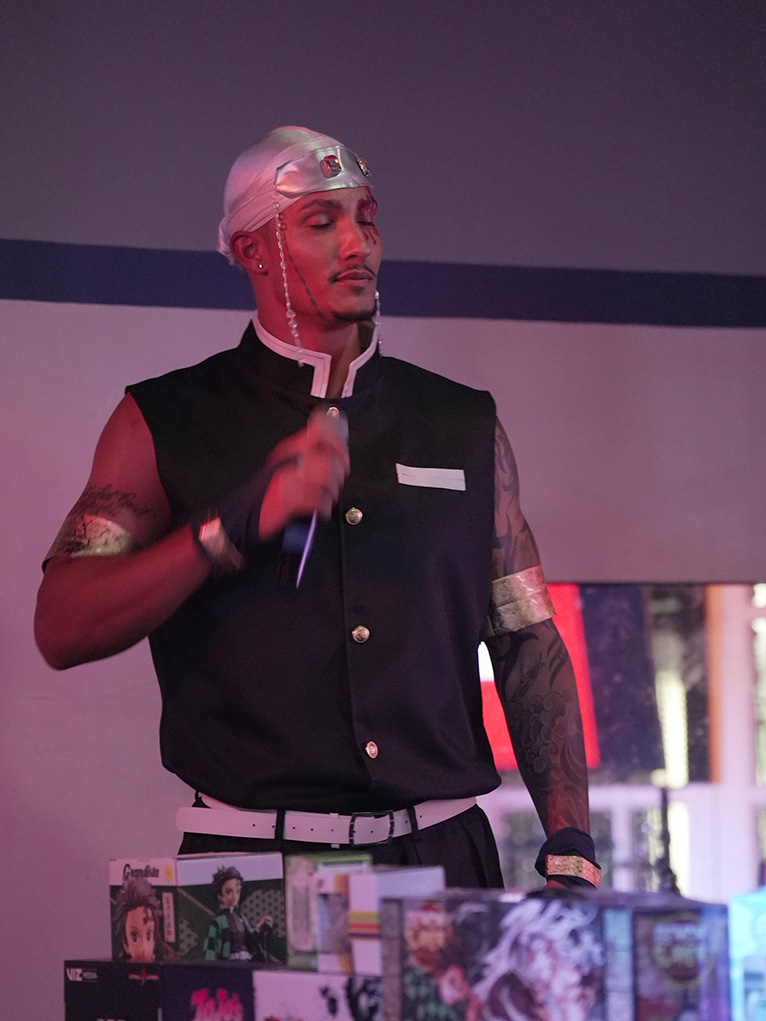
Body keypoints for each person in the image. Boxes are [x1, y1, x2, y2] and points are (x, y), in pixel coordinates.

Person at [34, 125, 598, 891]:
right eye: (321, 222)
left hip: (445, 864)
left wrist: (570, 848)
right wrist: (230, 526)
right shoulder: (163, 419)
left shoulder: (463, 423)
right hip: (247, 875)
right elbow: (62, 626)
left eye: (366, 217)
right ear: (252, 250)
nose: (357, 243)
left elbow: (525, 637)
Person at [202, 864, 276, 961]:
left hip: (246, 962)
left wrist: (259, 927)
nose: (235, 896)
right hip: (229, 964)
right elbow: (211, 949)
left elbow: (251, 939)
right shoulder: (218, 921)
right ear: (220, 896)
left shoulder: (240, 918)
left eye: (237, 891)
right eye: (229, 892)